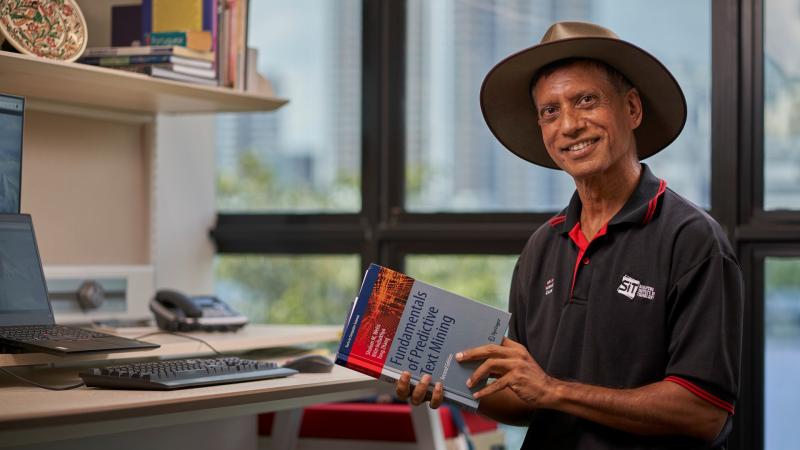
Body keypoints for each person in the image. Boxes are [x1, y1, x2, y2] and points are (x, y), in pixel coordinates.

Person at [395, 21, 743, 450]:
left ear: (632, 109)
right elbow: (526, 399)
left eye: (586, 101)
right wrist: (452, 386)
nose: (570, 125)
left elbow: (703, 413)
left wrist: (553, 390)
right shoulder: (542, 246)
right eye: (550, 111)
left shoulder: (693, 241)